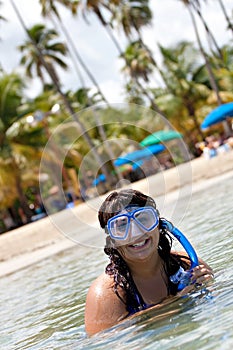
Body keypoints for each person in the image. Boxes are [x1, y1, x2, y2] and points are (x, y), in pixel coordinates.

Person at [85, 189, 213, 335]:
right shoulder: (106, 294)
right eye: (121, 226)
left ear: (159, 224)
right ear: (112, 241)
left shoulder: (187, 264)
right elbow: (105, 343)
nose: (136, 232)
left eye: (143, 219)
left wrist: (209, 283)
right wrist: (177, 301)